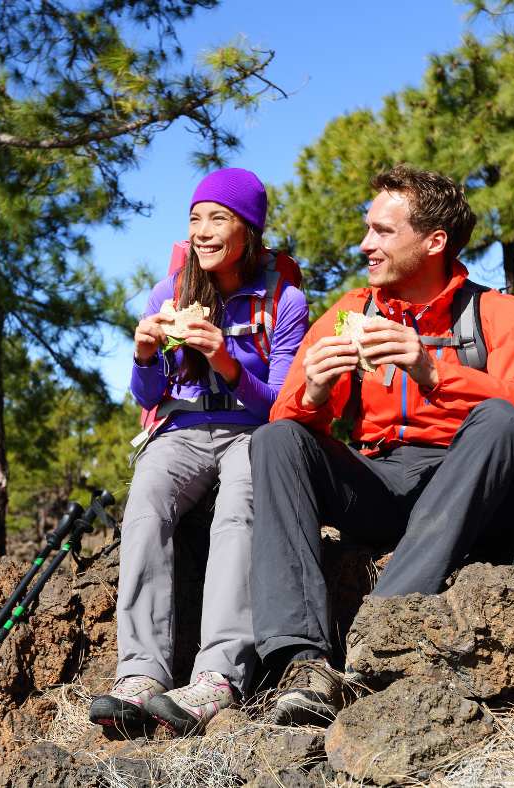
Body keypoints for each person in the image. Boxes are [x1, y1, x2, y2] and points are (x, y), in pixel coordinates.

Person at [249, 164, 514, 727]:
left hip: (468, 489)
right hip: (381, 481)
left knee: (502, 417)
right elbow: (288, 419)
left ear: (434, 241)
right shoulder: (353, 311)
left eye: (382, 231)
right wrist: (316, 390)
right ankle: (303, 663)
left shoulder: (498, 314)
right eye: (367, 228)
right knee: (277, 438)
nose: (364, 243)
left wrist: (434, 372)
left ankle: (380, 630)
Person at [88, 168, 309, 735]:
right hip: (181, 431)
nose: (203, 232)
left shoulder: (284, 301)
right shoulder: (169, 294)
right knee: (145, 505)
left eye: (218, 218)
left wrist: (226, 362)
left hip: (248, 431)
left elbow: (280, 405)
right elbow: (148, 396)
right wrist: (142, 356)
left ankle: (218, 676)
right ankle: (139, 674)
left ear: (249, 230)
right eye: (195, 219)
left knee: (238, 512)